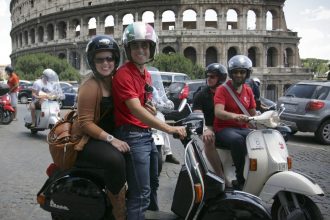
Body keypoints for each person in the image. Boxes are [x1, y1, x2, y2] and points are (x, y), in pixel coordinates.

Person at [112, 22, 186, 220]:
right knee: (141, 194)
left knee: (153, 184)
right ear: (128, 49)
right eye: (135, 46)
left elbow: (144, 103)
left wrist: (152, 109)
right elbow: (135, 110)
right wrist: (169, 129)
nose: (140, 50)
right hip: (132, 136)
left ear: (152, 47)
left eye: (144, 45)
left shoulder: (144, 73)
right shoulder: (123, 74)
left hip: (146, 134)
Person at [75, 35, 130, 220]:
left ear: (116, 59)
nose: (106, 63)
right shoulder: (90, 86)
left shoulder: (115, 80)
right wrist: (111, 139)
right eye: (100, 59)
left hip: (107, 135)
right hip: (87, 139)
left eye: (110, 58)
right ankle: (118, 210)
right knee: (116, 160)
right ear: (92, 61)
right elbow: (85, 123)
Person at [214, 55, 257, 190]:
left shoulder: (248, 90)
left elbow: (252, 113)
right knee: (237, 140)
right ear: (231, 73)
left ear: (247, 74)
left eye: (242, 72)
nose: (239, 75)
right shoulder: (222, 89)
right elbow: (219, 112)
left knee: (258, 138)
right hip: (223, 129)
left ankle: (255, 173)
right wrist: (235, 116)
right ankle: (239, 179)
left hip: (242, 128)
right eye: (236, 72)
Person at [192, 63, 227, 179]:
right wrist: (206, 129)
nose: (209, 79)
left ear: (220, 78)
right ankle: (220, 175)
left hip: (225, 125)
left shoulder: (227, 93)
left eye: (212, 77)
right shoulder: (201, 95)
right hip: (208, 125)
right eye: (208, 76)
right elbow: (198, 116)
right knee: (208, 139)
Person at [151, 84, 180, 164]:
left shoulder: (152, 88)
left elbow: (159, 99)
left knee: (163, 126)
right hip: (143, 111)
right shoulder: (136, 85)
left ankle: (168, 154)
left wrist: (166, 102)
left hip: (155, 110)